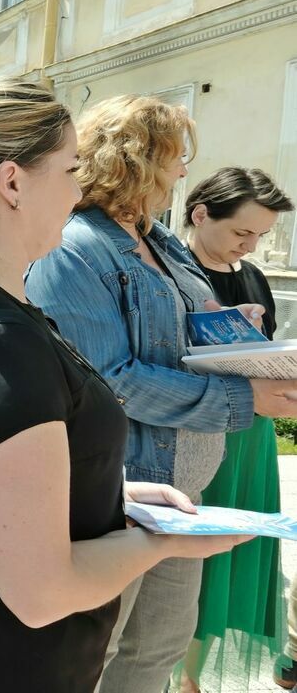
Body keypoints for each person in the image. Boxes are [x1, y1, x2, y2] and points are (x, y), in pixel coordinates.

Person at [0, 78, 248, 692]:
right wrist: (161, 543)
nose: (78, 191)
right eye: (69, 170)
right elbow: (41, 592)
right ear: (12, 182)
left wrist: (110, 492)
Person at [25, 95, 297, 693]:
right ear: (137, 160)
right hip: (122, 491)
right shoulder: (76, 247)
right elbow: (111, 380)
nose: (182, 172)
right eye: (176, 157)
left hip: (183, 492)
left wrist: (231, 327)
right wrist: (244, 398)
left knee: (160, 648)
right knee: (95, 651)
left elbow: (171, 335)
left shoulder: (158, 238)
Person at [177, 168, 293, 693]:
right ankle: (177, 678)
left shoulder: (252, 275)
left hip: (252, 439)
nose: (250, 246)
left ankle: (192, 681)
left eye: (261, 236)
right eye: (241, 233)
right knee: (189, 567)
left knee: (233, 556)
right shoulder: (170, 273)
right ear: (200, 214)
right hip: (198, 437)